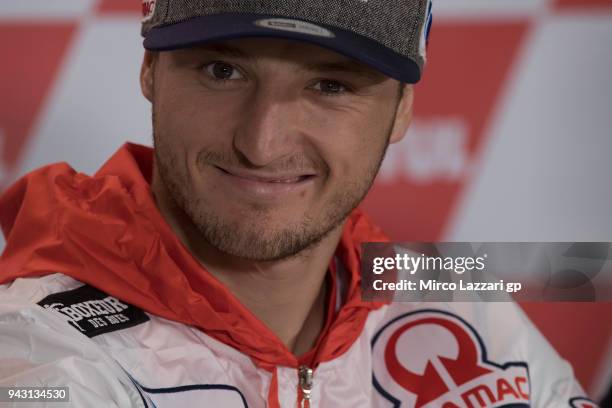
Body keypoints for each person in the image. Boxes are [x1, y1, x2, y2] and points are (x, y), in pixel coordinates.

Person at [0, 1, 598, 407]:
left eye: (329, 86)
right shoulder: (41, 355)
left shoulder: (460, 302)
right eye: (222, 70)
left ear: (404, 109)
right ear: (151, 70)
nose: (261, 145)